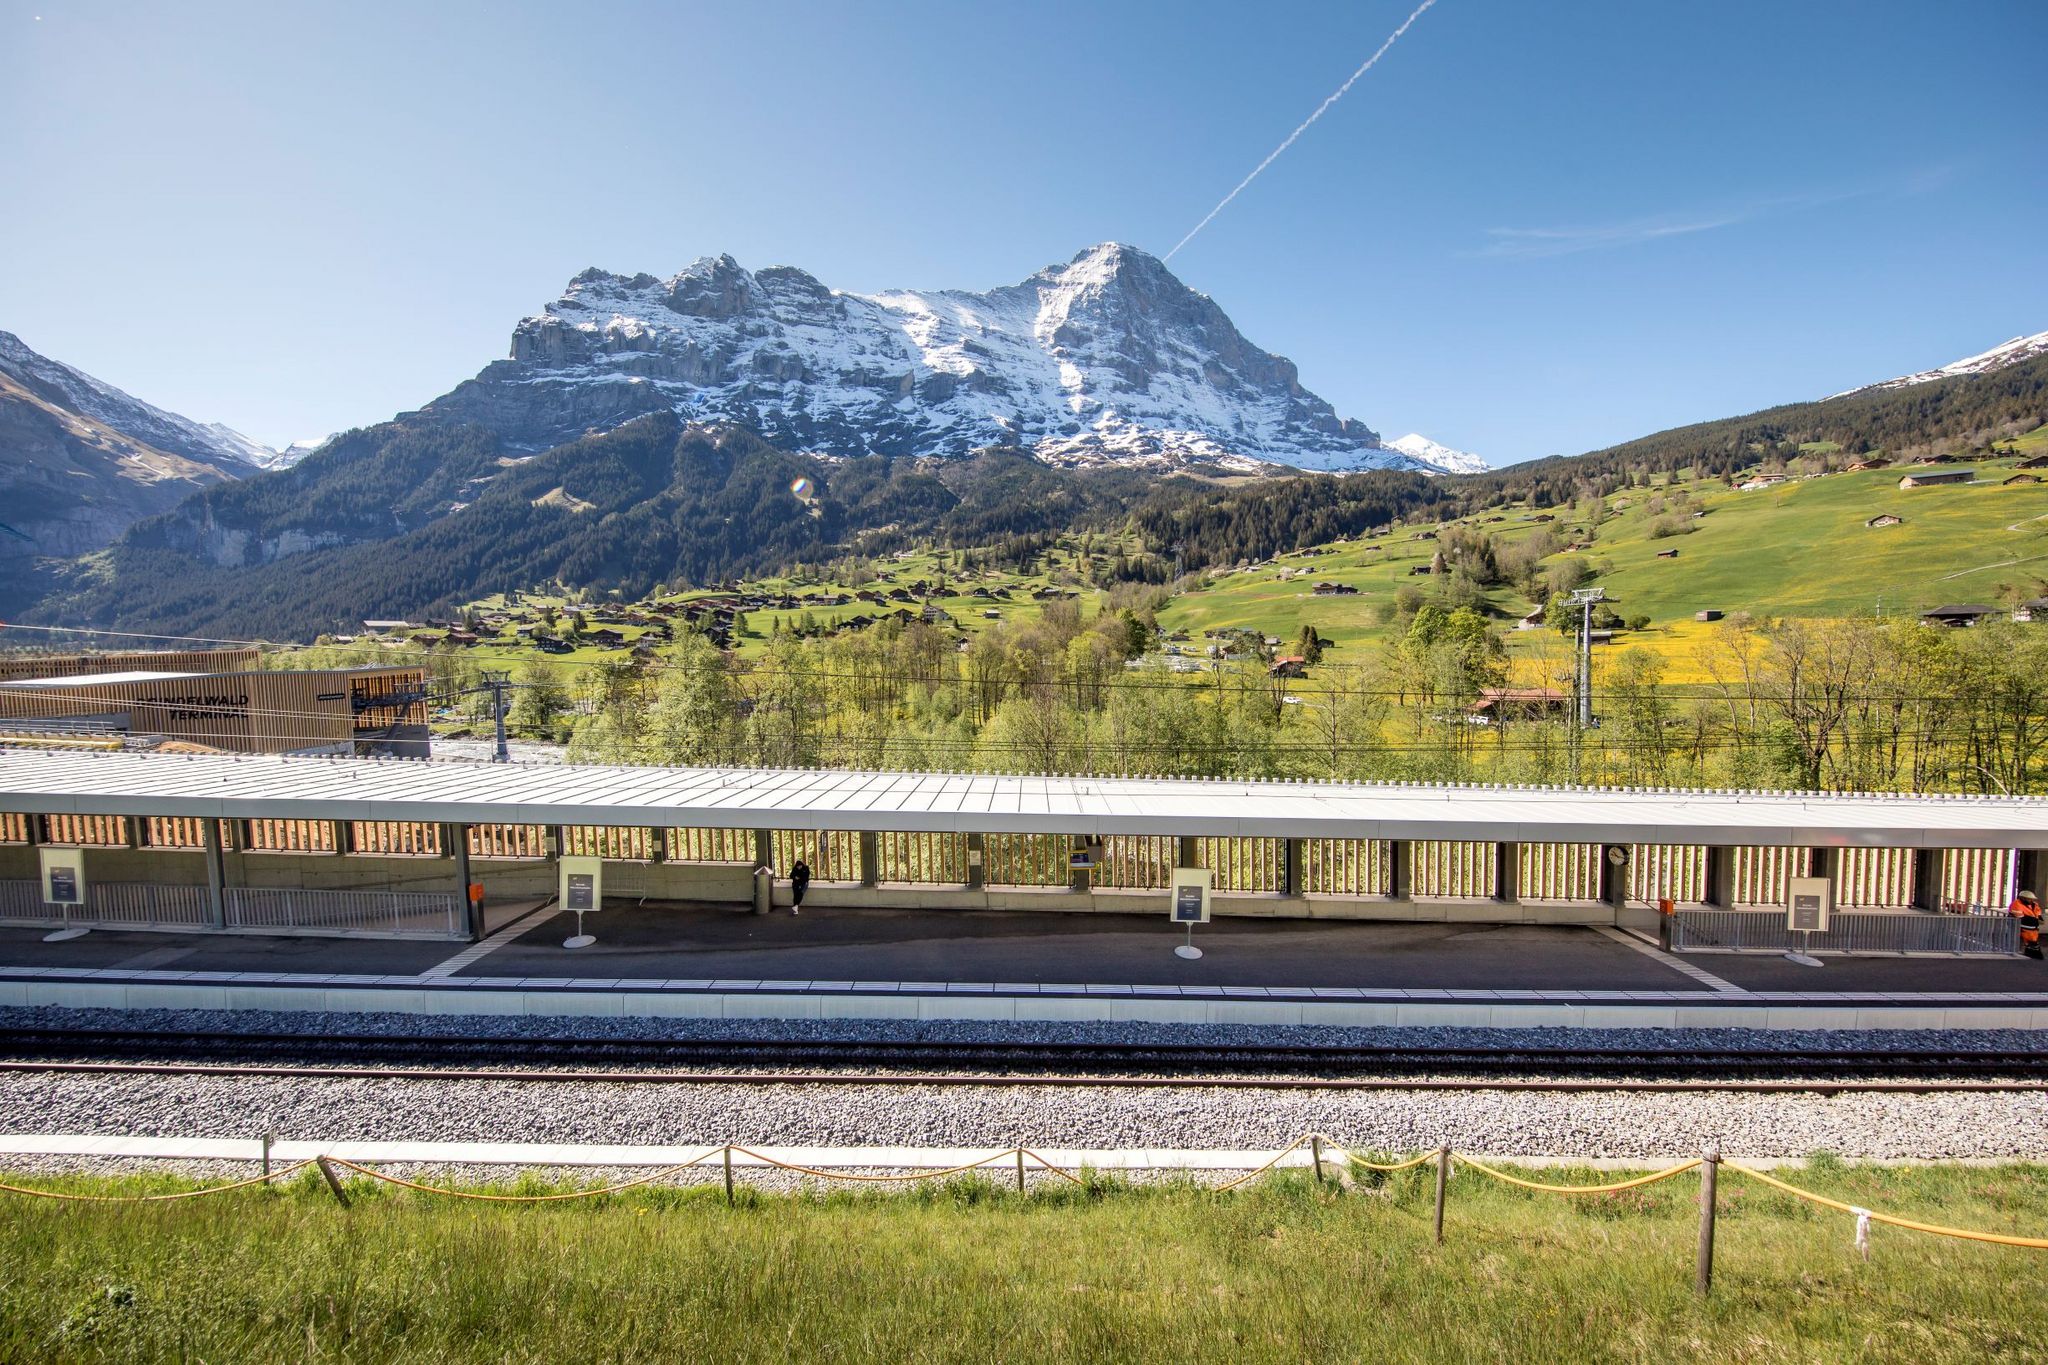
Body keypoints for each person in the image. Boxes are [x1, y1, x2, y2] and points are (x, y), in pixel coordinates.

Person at [2012, 889, 2042, 960]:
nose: (2031, 900)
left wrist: (2039, 918)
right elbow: (2019, 916)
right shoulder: (2017, 904)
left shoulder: (2034, 904)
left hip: (2034, 926)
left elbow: (2038, 912)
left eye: (2032, 899)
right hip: (2025, 926)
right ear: (2023, 898)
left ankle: (2030, 953)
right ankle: (2034, 954)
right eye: (2029, 899)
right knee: (2031, 941)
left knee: (2033, 940)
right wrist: (2034, 919)